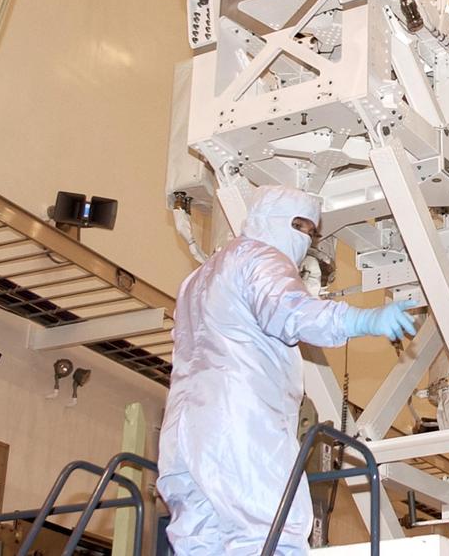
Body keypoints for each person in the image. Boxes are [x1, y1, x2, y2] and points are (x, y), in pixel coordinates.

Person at [157, 186, 417, 555]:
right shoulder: (260, 258)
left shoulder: (198, 278)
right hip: (241, 421)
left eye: (312, 232)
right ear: (270, 219)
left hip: (183, 432)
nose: (305, 238)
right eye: (300, 226)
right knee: (271, 532)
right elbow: (291, 311)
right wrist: (362, 318)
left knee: (199, 538)